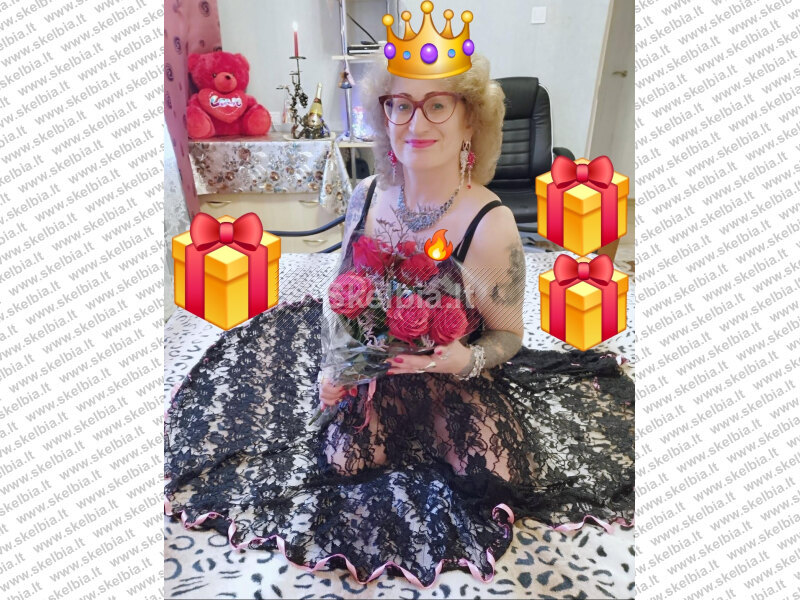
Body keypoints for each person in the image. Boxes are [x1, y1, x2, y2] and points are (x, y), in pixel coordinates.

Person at [165, 54, 634, 588]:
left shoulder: (490, 223)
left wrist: (465, 358)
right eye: (401, 105)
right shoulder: (365, 196)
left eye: (438, 105)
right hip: (372, 379)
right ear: (383, 115)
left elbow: (508, 335)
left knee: (489, 477)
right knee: (342, 465)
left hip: (451, 382)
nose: (416, 122)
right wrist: (335, 368)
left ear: (470, 120)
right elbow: (340, 297)